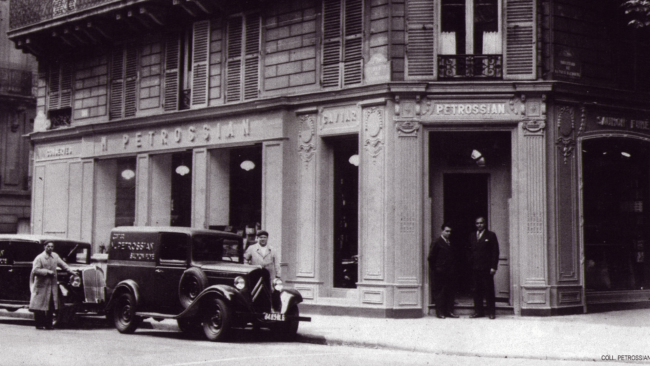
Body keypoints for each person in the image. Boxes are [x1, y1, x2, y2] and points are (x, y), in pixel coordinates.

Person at [29, 241, 76, 329]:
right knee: (39, 306)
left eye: (52, 246)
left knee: (51, 305)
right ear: (44, 247)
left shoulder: (55, 256)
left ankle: (48, 324)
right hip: (41, 285)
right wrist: (47, 272)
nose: (50, 248)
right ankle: (39, 324)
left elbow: (63, 265)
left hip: (51, 286)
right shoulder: (39, 258)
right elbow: (35, 270)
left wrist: (71, 271)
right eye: (48, 246)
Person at [468, 216, 500, 319]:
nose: (479, 225)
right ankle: (478, 312)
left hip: (486, 268)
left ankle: (491, 312)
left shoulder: (491, 235)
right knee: (476, 290)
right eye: (477, 223)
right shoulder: (472, 235)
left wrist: (493, 267)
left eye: (481, 223)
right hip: (475, 268)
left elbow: (495, 252)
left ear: (484, 223)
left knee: (488, 290)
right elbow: (469, 251)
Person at [428, 223, 458, 319]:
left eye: (450, 231)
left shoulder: (451, 242)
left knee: (450, 291)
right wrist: (436, 269)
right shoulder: (437, 242)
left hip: (450, 272)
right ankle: (440, 312)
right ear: (442, 231)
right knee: (440, 292)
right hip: (440, 273)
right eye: (447, 231)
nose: (449, 233)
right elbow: (431, 258)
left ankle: (449, 311)